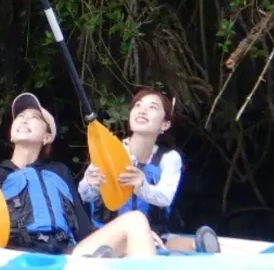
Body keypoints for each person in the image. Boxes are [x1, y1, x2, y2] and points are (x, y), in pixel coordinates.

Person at [0, 92, 160, 257]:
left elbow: (83, 228)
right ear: (11, 133)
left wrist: (128, 240)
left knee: (136, 220)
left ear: (47, 136)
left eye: (34, 117)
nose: (24, 120)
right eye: (20, 117)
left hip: (64, 257)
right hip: (15, 258)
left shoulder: (59, 173)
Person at [78, 87, 218, 253]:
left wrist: (141, 186)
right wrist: (91, 184)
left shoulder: (170, 158)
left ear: (164, 124)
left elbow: (165, 197)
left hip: (157, 235)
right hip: (108, 235)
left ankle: (203, 250)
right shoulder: (109, 150)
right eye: (138, 105)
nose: (142, 111)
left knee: (190, 245)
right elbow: (84, 195)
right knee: (131, 241)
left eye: (152, 107)